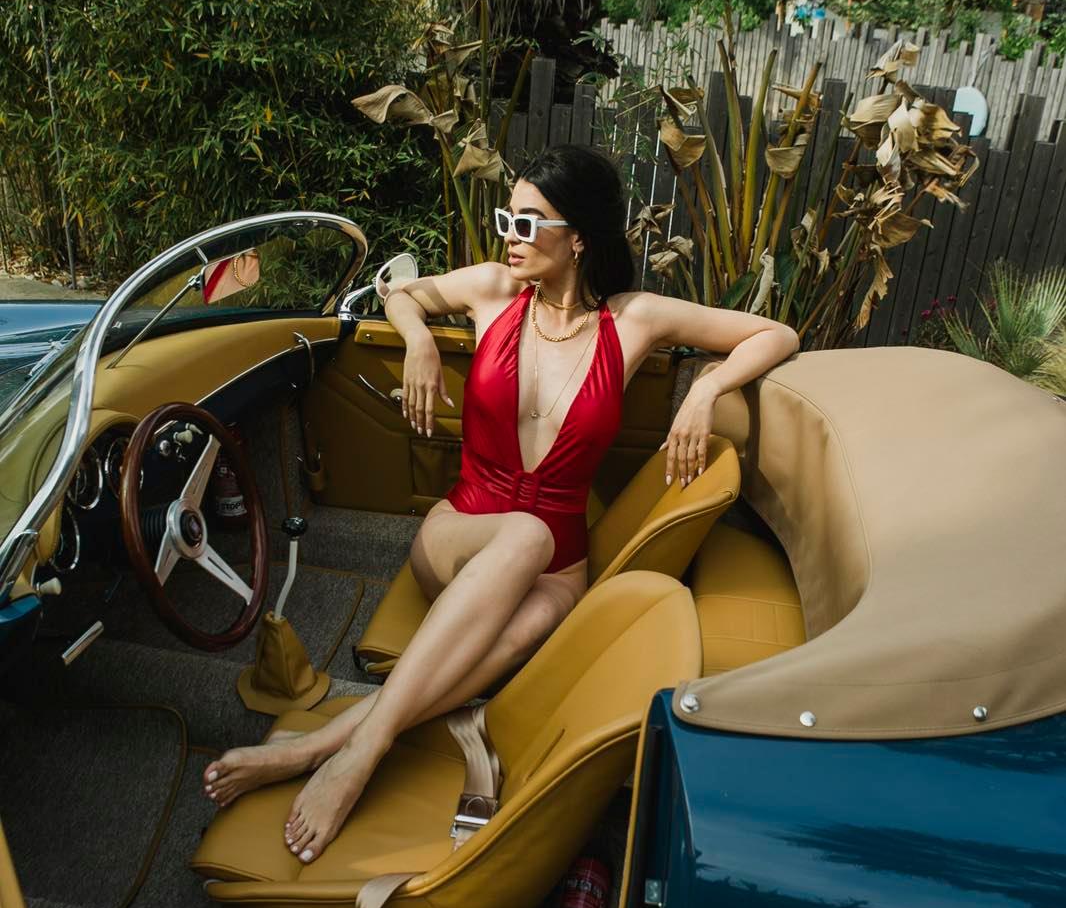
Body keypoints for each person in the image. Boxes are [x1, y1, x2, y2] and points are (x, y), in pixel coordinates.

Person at [203, 144, 798, 861]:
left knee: (522, 606)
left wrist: (706, 389)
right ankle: (358, 757)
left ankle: (319, 745)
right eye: (505, 219)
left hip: (557, 571)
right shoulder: (491, 289)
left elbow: (776, 334)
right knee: (524, 537)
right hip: (462, 531)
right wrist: (419, 340)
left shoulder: (635, 319)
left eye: (528, 222)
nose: (510, 237)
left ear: (578, 238)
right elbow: (401, 294)